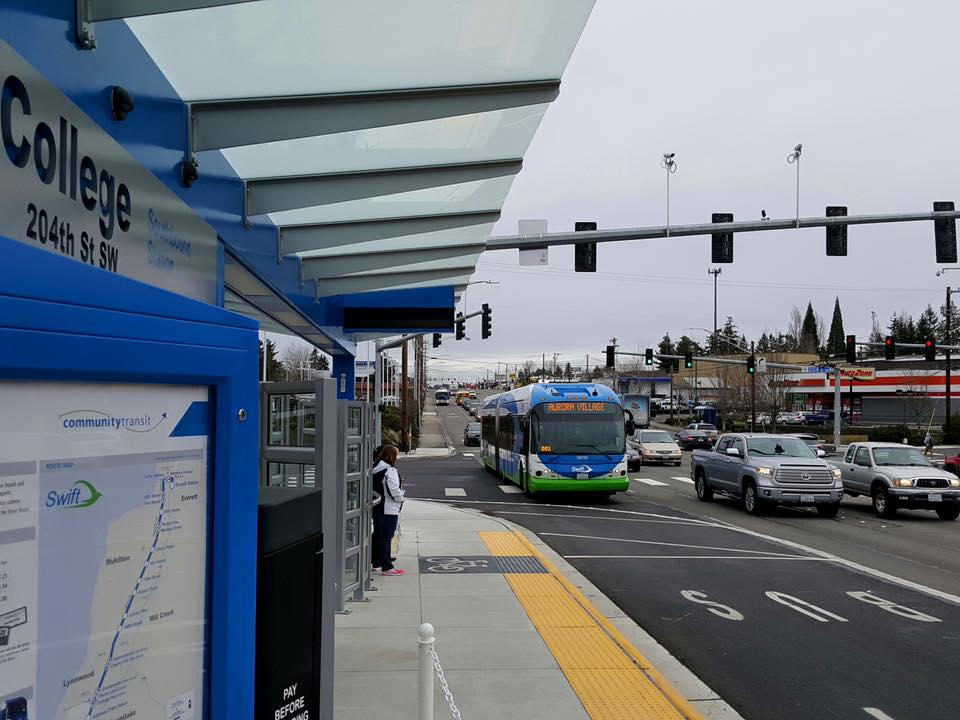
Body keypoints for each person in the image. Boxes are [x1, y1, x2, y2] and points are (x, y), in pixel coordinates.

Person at [372, 445, 405, 575]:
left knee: (378, 535)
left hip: (377, 506)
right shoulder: (390, 470)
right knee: (386, 537)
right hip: (389, 508)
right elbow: (394, 490)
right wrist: (401, 499)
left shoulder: (375, 468)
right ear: (392, 456)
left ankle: (376, 563)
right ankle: (387, 567)